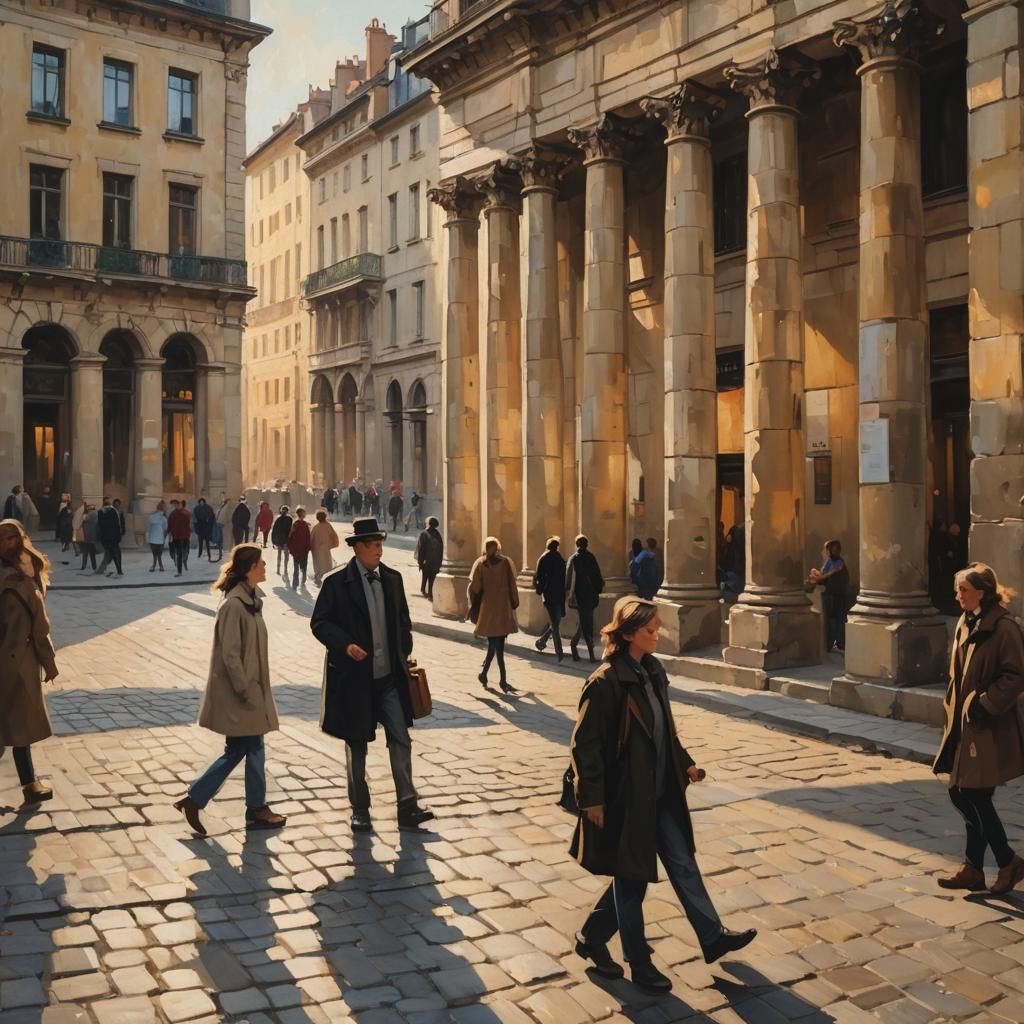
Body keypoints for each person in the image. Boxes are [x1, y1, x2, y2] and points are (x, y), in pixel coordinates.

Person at [570, 597, 757, 992]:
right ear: (628, 634)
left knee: (682, 864)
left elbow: (664, 731)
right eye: (650, 630)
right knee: (631, 883)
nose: (658, 636)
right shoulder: (605, 683)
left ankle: (711, 935)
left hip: (662, 794)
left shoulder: (654, 673)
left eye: (657, 629)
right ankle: (638, 963)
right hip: (626, 800)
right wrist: (592, 800)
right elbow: (584, 746)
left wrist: (685, 762)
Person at [311, 516, 434, 834]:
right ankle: (360, 809)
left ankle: (407, 805)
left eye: (381, 545)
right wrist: (346, 645)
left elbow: (403, 620)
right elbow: (320, 623)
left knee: (401, 738)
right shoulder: (336, 583)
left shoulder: (392, 579)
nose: (380, 550)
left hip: (389, 679)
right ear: (359, 549)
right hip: (354, 681)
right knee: (357, 747)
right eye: (375, 545)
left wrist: (403, 649)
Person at [174, 544, 285, 835]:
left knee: (244, 748)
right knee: (251, 748)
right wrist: (244, 689)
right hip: (242, 693)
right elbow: (231, 655)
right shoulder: (234, 606)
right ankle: (245, 807)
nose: (265, 567)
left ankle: (202, 799)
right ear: (250, 569)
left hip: (250, 690)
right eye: (261, 563)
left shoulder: (249, 600)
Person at [933, 562, 1024, 895]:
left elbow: (1016, 676)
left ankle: (1007, 862)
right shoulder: (965, 621)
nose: (958, 596)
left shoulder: (1004, 627)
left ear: (982, 593)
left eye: (964, 590)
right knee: (962, 792)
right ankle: (975, 868)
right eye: (958, 590)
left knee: (971, 792)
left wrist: (984, 703)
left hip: (989, 727)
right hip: (963, 724)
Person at [0, 519, 59, 806]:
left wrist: (46, 661)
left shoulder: (28, 570)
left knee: (19, 724)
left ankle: (29, 784)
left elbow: (37, 624)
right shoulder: (11, 578)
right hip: (10, 662)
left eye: (13, 537)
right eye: (2, 539)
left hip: (20, 660)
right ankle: (29, 784)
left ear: (22, 538)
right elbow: (38, 625)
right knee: (10, 724)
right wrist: (48, 661)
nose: (8, 543)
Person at [468, 537, 519, 693]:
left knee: (493, 645)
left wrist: (472, 605)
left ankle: (487, 676)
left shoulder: (481, 564)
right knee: (499, 647)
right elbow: (512, 583)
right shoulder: (505, 563)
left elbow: (474, 588)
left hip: (488, 608)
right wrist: (514, 601)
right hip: (502, 609)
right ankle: (501, 680)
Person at [565, 534, 604, 663]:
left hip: (579, 596)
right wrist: (597, 590)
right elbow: (598, 576)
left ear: (577, 544)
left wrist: (568, 594)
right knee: (587, 623)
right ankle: (590, 653)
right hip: (589, 596)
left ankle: (574, 646)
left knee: (584, 623)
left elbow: (568, 579)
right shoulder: (591, 557)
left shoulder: (573, 559)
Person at [808, 539, 849, 653]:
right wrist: (816, 573)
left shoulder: (839, 562)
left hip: (838, 595)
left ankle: (840, 642)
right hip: (830, 594)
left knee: (838, 619)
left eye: (835, 549)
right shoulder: (829, 561)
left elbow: (831, 573)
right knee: (831, 619)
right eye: (830, 549)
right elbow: (824, 573)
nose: (832, 552)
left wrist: (821, 577)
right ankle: (830, 643)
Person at [534, 537, 567, 662]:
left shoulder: (543, 558)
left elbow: (539, 576)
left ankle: (556, 651)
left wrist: (539, 590)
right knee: (555, 622)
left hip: (548, 594)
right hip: (559, 594)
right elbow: (564, 578)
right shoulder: (560, 559)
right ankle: (557, 651)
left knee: (555, 623)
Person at [414, 517, 443, 600]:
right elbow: (441, 549)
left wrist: (420, 561)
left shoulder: (424, 533)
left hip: (426, 561)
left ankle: (423, 590)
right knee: (432, 578)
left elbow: (420, 548)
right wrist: (439, 562)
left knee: (425, 576)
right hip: (435, 561)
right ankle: (430, 593)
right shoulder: (437, 534)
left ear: (428, 523)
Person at [310, 508, 340, 586]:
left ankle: (318, 578)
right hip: (326, 549)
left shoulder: (315, 527)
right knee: (327, 563)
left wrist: (310, 547)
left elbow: (311, 539)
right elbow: (334, 537)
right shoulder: (328, 526)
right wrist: (331, 545)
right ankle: (326, 578)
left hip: (316, 550)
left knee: (318, 564)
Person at [96, 497, 124, 577]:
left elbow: (100, 526)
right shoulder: (114, 511)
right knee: (116, 553)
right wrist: (119, 536)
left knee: (110, 553)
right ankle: (119, 570)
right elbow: (118, 525)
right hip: (114, 537)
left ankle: (102, 569)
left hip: (106, 538)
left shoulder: (100, 512)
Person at [288, 506, 312, 589]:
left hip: (296, 549)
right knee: (303, 566)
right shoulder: (305, 525)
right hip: (304, 549)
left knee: (296, 566)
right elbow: (308, 537)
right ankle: (303, 579)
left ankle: (295, 584)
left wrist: (290, 547)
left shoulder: (295, 524)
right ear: (303, 515)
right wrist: (309, 547)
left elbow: (290, 536)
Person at [168, 499, 192, 577]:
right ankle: (179, 571)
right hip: (176, 537)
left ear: (181, 504)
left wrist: (189, 533)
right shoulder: (172, 514)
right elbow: (170, 526)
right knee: (179, 554)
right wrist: (170, 534)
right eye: (174, 504)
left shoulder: (186, 513)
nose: (176, 506)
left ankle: (184, 563)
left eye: (177, 504)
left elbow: (189, 525)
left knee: (185, 552)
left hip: (184, 536)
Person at [271, 505, 293, 577]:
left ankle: (282, 569)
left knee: (281, 555)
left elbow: (274, 530)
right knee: (283, 555)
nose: (284, 512)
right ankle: (281, 569)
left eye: (285, 510)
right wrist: (273, 541)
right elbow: (274, 530)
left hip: (282, 540)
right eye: (283, 510)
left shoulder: (281, 519)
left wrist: (273, 540)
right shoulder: (287, 519)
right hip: (282, 540)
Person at [147, 501, 169, 572]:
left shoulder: (151, 517)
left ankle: (154, 565)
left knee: (154, 553)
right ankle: (160, 565)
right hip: (160, 538)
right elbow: (165, 528)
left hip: (152, 537)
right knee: (159, 553)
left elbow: (148, 528)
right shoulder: (164, 518)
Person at [79, 504, 99, 571]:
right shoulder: (97, 514)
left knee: (85, 552)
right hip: (93, 536)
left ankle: (84, 565)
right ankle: (94, 566)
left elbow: (82, 522)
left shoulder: (88, 515)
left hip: (87, 536)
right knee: (92, 553)